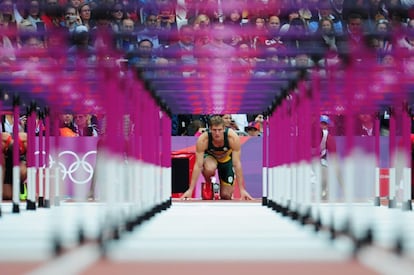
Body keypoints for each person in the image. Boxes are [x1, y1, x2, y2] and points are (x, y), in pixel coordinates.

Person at [180, 115, 253, 200]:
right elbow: (198, 165)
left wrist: (242, 190)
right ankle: (208, 182)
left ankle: (222, 188)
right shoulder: (203, 139)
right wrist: (190, 190)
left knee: (226, 195)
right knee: (210, 168)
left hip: (226, 161)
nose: (217, 133)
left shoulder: (232, 138)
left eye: (219, 130)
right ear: (210, 129)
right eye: (214, 130)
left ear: (224, 129)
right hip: (210, 158)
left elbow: (237, 164)